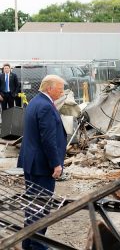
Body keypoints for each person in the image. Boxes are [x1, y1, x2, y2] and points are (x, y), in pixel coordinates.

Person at [17, 75, 67, 250]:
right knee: (42, 206)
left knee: (32, 204)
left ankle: (28, 243)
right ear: (49, 88)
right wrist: (56, 164)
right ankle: (37, 246)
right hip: (42, 165)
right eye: (60, 88)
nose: (62, 92)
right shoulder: (45, 106)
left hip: (31, 162)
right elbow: (48, 139)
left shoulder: (35, 102)